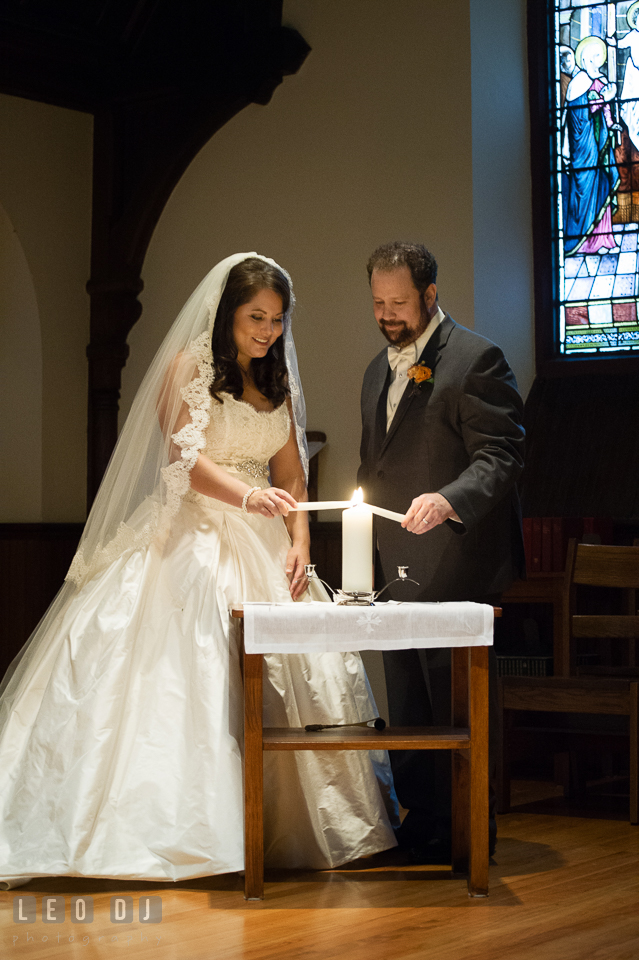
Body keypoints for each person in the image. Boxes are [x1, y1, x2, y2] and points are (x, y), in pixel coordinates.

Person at [0, 253, 397, 889]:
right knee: (192, 666)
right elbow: (181, 463)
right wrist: (245, 497)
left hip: (268, 538)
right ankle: (181, 831)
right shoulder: (188, 371)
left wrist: (299, 538)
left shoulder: (277, 382)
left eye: (276, 320)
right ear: (227, 315)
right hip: (195, 533)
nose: (267, 331)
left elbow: (292, 474)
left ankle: (283, 826)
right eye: (255, 318)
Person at [357, 241, 525, 862]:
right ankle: (422, 820)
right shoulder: (378, 368)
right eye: (378, 302)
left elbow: (502, 455)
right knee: (405, 695)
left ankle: (467, 828)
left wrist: (451, 499)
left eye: (399, 302)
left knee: (450, 697)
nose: (387, 314)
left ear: (430, 294)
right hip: (395, 557)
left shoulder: (477, 358)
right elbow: (373, 461)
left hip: (458, 557)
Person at [562, 35, 620, 253]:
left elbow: (605, 111)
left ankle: (604, 239)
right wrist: (602, 99)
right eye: (595, 55)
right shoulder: (578, 84)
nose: (599, 60)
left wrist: (611, 123)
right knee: (586, 186)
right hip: (584, 146)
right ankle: (585, 242)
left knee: (603, 181)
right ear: (585, 59)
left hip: (600, 141)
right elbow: (579, 116)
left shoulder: (601, 80)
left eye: (600, 55)